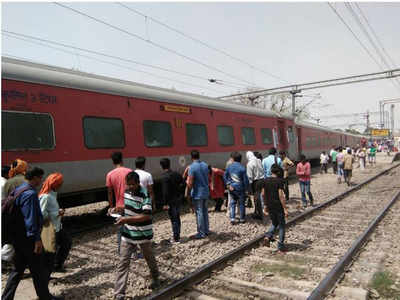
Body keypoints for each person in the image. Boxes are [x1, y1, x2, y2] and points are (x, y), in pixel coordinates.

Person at [2, 167, 63, 300]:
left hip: (17, 238)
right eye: (40, 178)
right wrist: (37, 239)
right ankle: (45, 297)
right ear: (35, 177)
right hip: (28, 240)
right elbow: (31, 219)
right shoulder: (29, 194)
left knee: (17, 270)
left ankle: (6, 297)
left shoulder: (19, 189)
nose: (41, 181)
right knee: (38, 270)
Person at [113, 172, 160, 299]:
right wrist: (118, 209)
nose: (130, 187)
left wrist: (126, 220)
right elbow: (129, 206)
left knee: (149, 257)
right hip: (128, 233)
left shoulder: (145, 194)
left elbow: (146, 215)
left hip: (142, 233)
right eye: (128, 185)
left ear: (138, 183)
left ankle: (156, 277)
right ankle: (119, 294)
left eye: (132, 185)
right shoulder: (127, 191)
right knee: (123, 262)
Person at [39, 173, 72, 273]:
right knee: (50, 254)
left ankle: (57, 265)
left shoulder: (52, 194)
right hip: (50, 229)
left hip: (57, 227)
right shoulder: (45, 197)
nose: (61, 185)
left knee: (67, 243)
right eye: (59, 183)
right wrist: (57, 213)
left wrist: (58, 212)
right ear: (54, 184)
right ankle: (45, 276)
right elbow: (41, 214)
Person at [106, 152, 132, 254]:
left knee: (120, 229)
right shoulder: (129, 172)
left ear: (113, 161)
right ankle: (133, 252)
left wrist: (111, 207)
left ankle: (121, 251)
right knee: (132, 228)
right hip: (130, 205)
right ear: (122, 159)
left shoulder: (110, 174)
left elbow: (110, 192)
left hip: (118, 207)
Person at [262, 164, 288, 253]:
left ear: (271, 171)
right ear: (278, 172)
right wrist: (285, 208)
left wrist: (265, 206)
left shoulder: (265, 180)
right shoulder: (279, 181)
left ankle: (267, 237)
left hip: (270, 205)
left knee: (274, 222)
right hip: (278, 206)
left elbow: (263, 194)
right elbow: (281, 195)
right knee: (282, 226)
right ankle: (280, 245)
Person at [160, 158, 184, 243]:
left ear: (161, 166)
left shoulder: (164, 177)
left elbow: (165, 192)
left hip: (171, 201)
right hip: (177, 199)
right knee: (177, 218)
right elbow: (183, 184)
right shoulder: (177, 174)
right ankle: (177, 235)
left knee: (174, 219)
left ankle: (176, 237)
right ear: (169, 164)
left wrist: (165, 203)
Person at [187, 150, 210, 239]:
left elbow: (190, 182)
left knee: (199, 212)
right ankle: (207, 230)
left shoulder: (192, 167)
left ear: (191, 157)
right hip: (205, 191)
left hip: (197, 193)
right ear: (199, 156)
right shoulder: (205, 165)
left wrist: (188, 191)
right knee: (205, 211)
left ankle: (201, 233)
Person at [224, 152, 249, 225]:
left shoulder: (229, 167)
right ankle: (242, 218)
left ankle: (232, 218)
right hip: (240, 188)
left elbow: (225, 176)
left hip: (232, 187)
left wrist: (228, 185)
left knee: (233, 203)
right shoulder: (242, 168)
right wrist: (246, 188)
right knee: (241, 203)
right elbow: (245, 180)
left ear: (233, 159)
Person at [246, 151, 264, 220]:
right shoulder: (259, 160)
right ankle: (257, 211)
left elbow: (249, 177)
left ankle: (259, 214)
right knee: (259, 196)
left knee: (256, 198)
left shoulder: (249, 164)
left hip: (255, 182)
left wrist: (249, 187)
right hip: (261, 180)